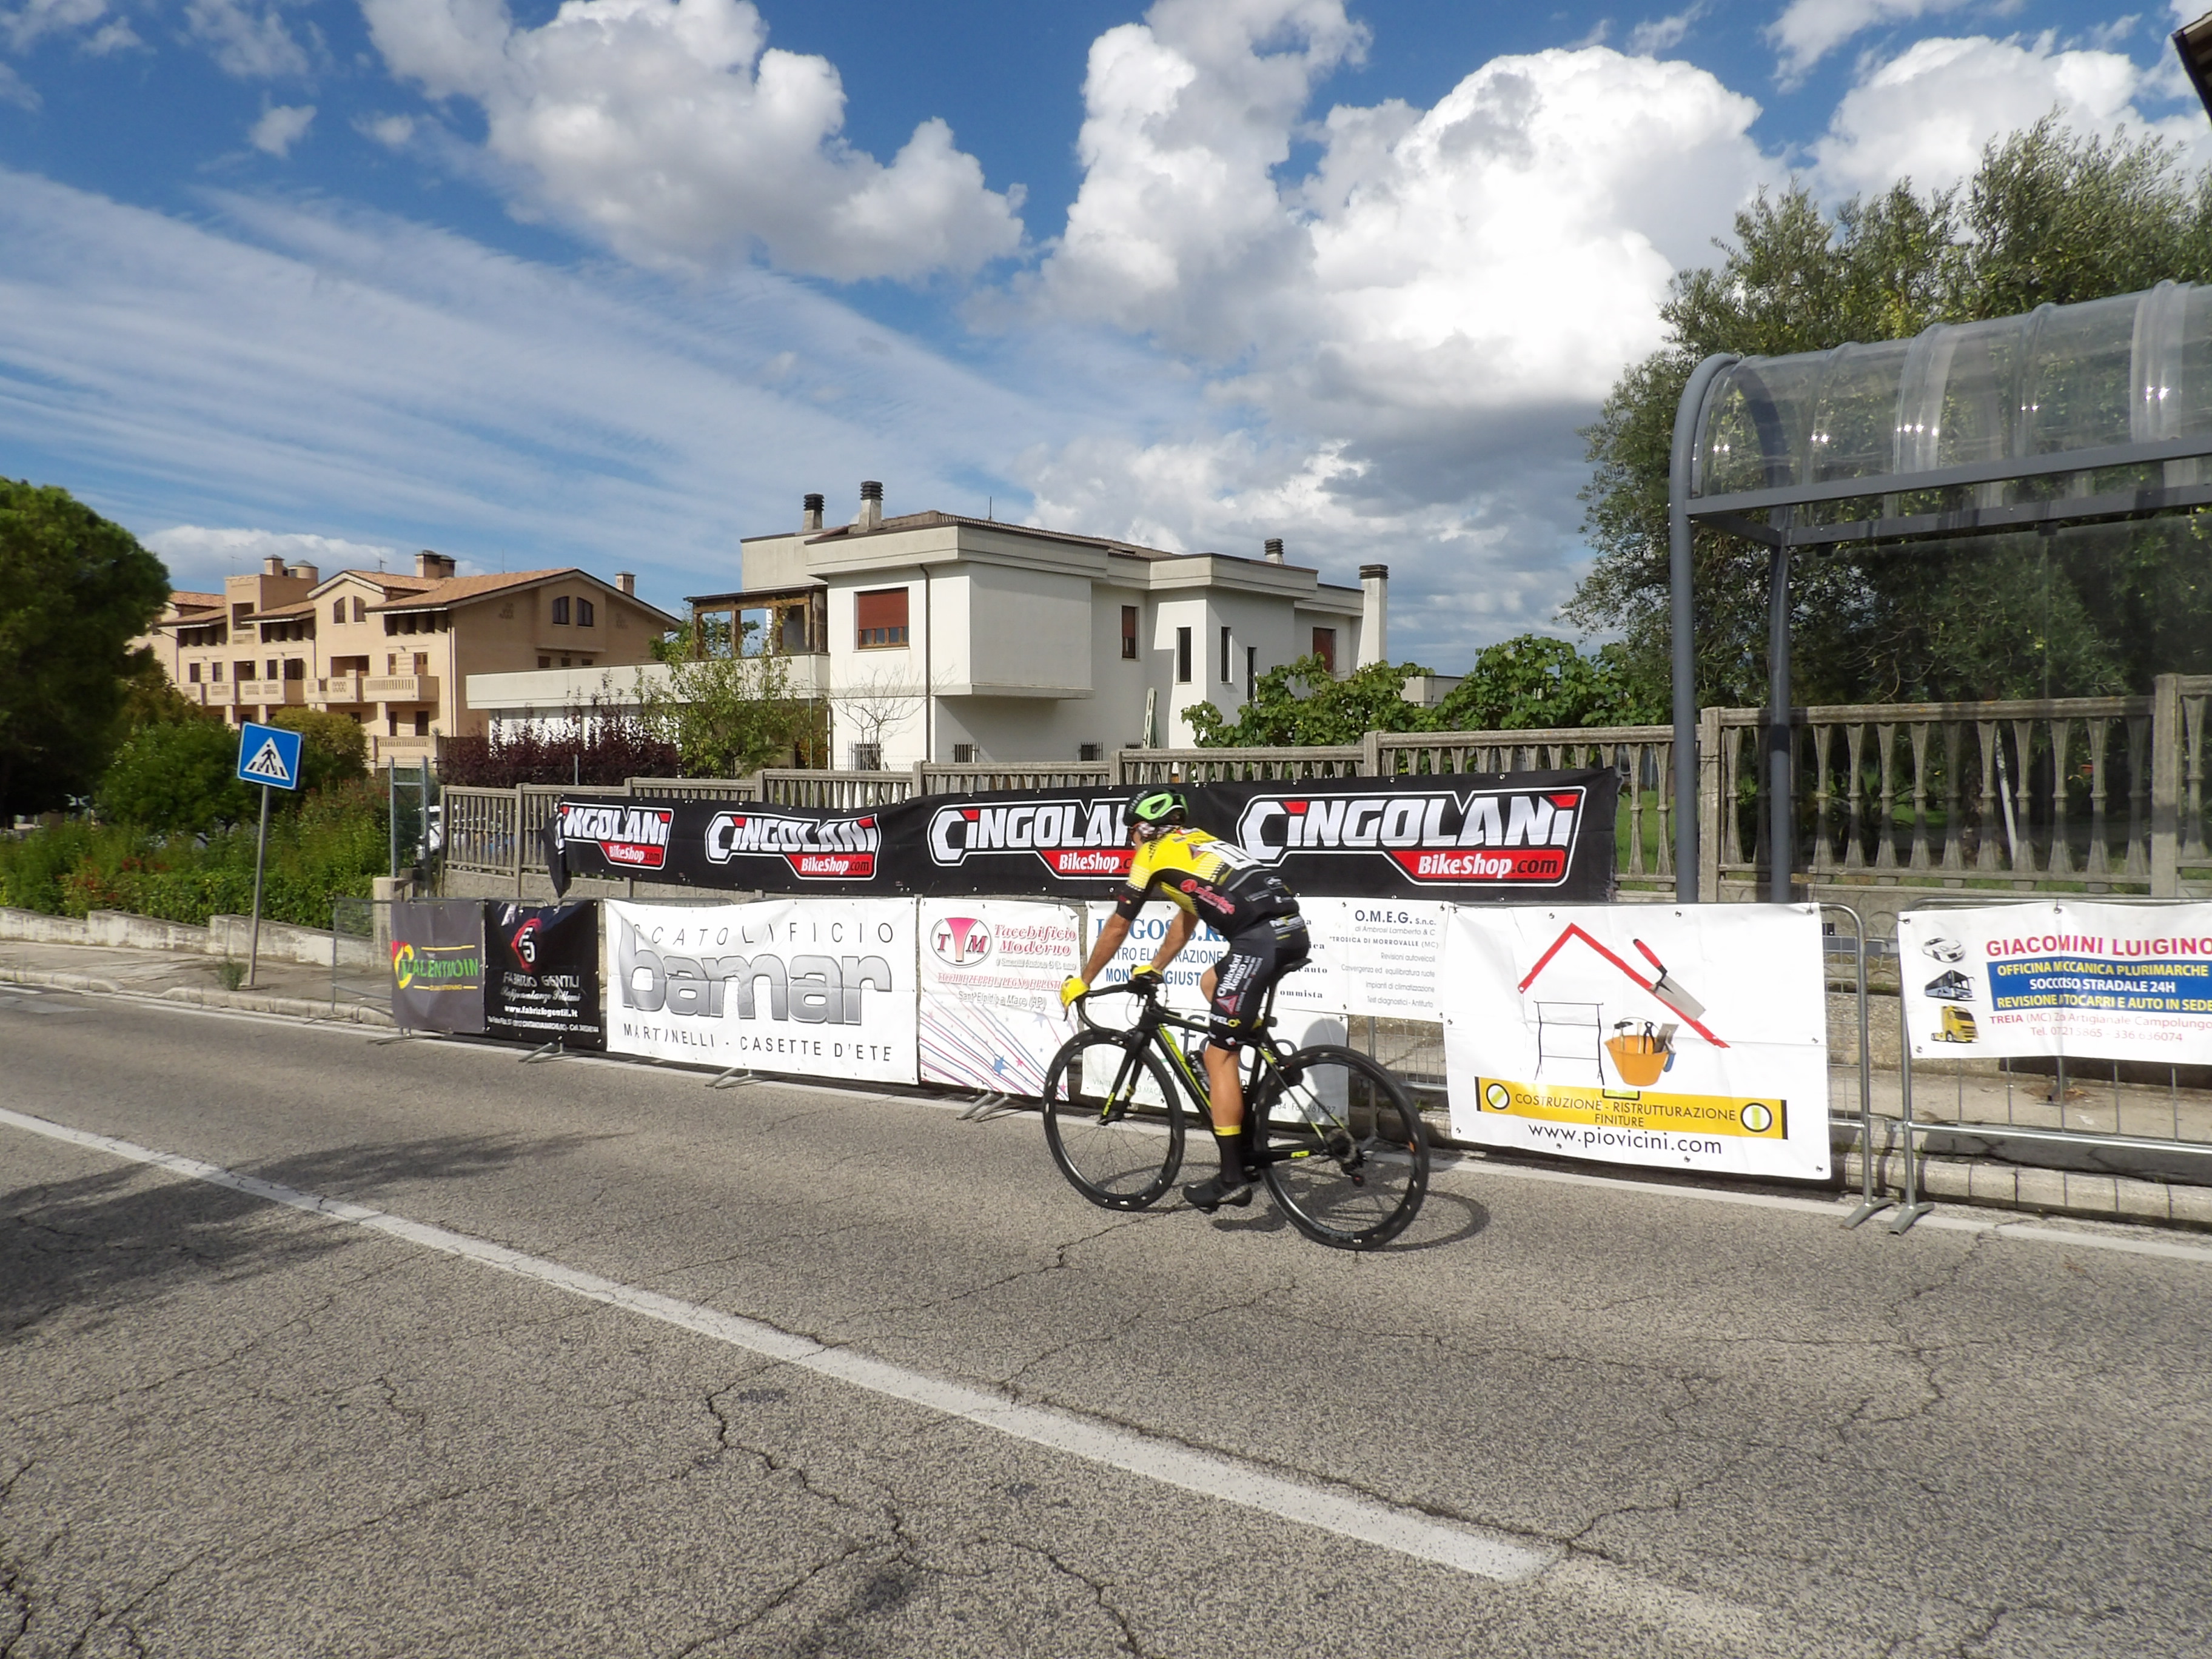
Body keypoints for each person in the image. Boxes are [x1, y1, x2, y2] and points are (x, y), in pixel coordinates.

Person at [1061, 786, 1310, 1212]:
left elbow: (1119, 925)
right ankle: (1271, 1064)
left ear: (1146, 829)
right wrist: (1157, 967)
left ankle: (1231, 1177)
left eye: (1132, 832)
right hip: (1290, 931)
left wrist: (1083, 980)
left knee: (1218, 1057)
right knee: (1211, 982)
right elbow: (1188, 916)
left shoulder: (1153, 853)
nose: (1131, 842)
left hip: (1259, 940)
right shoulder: (1199, 842)